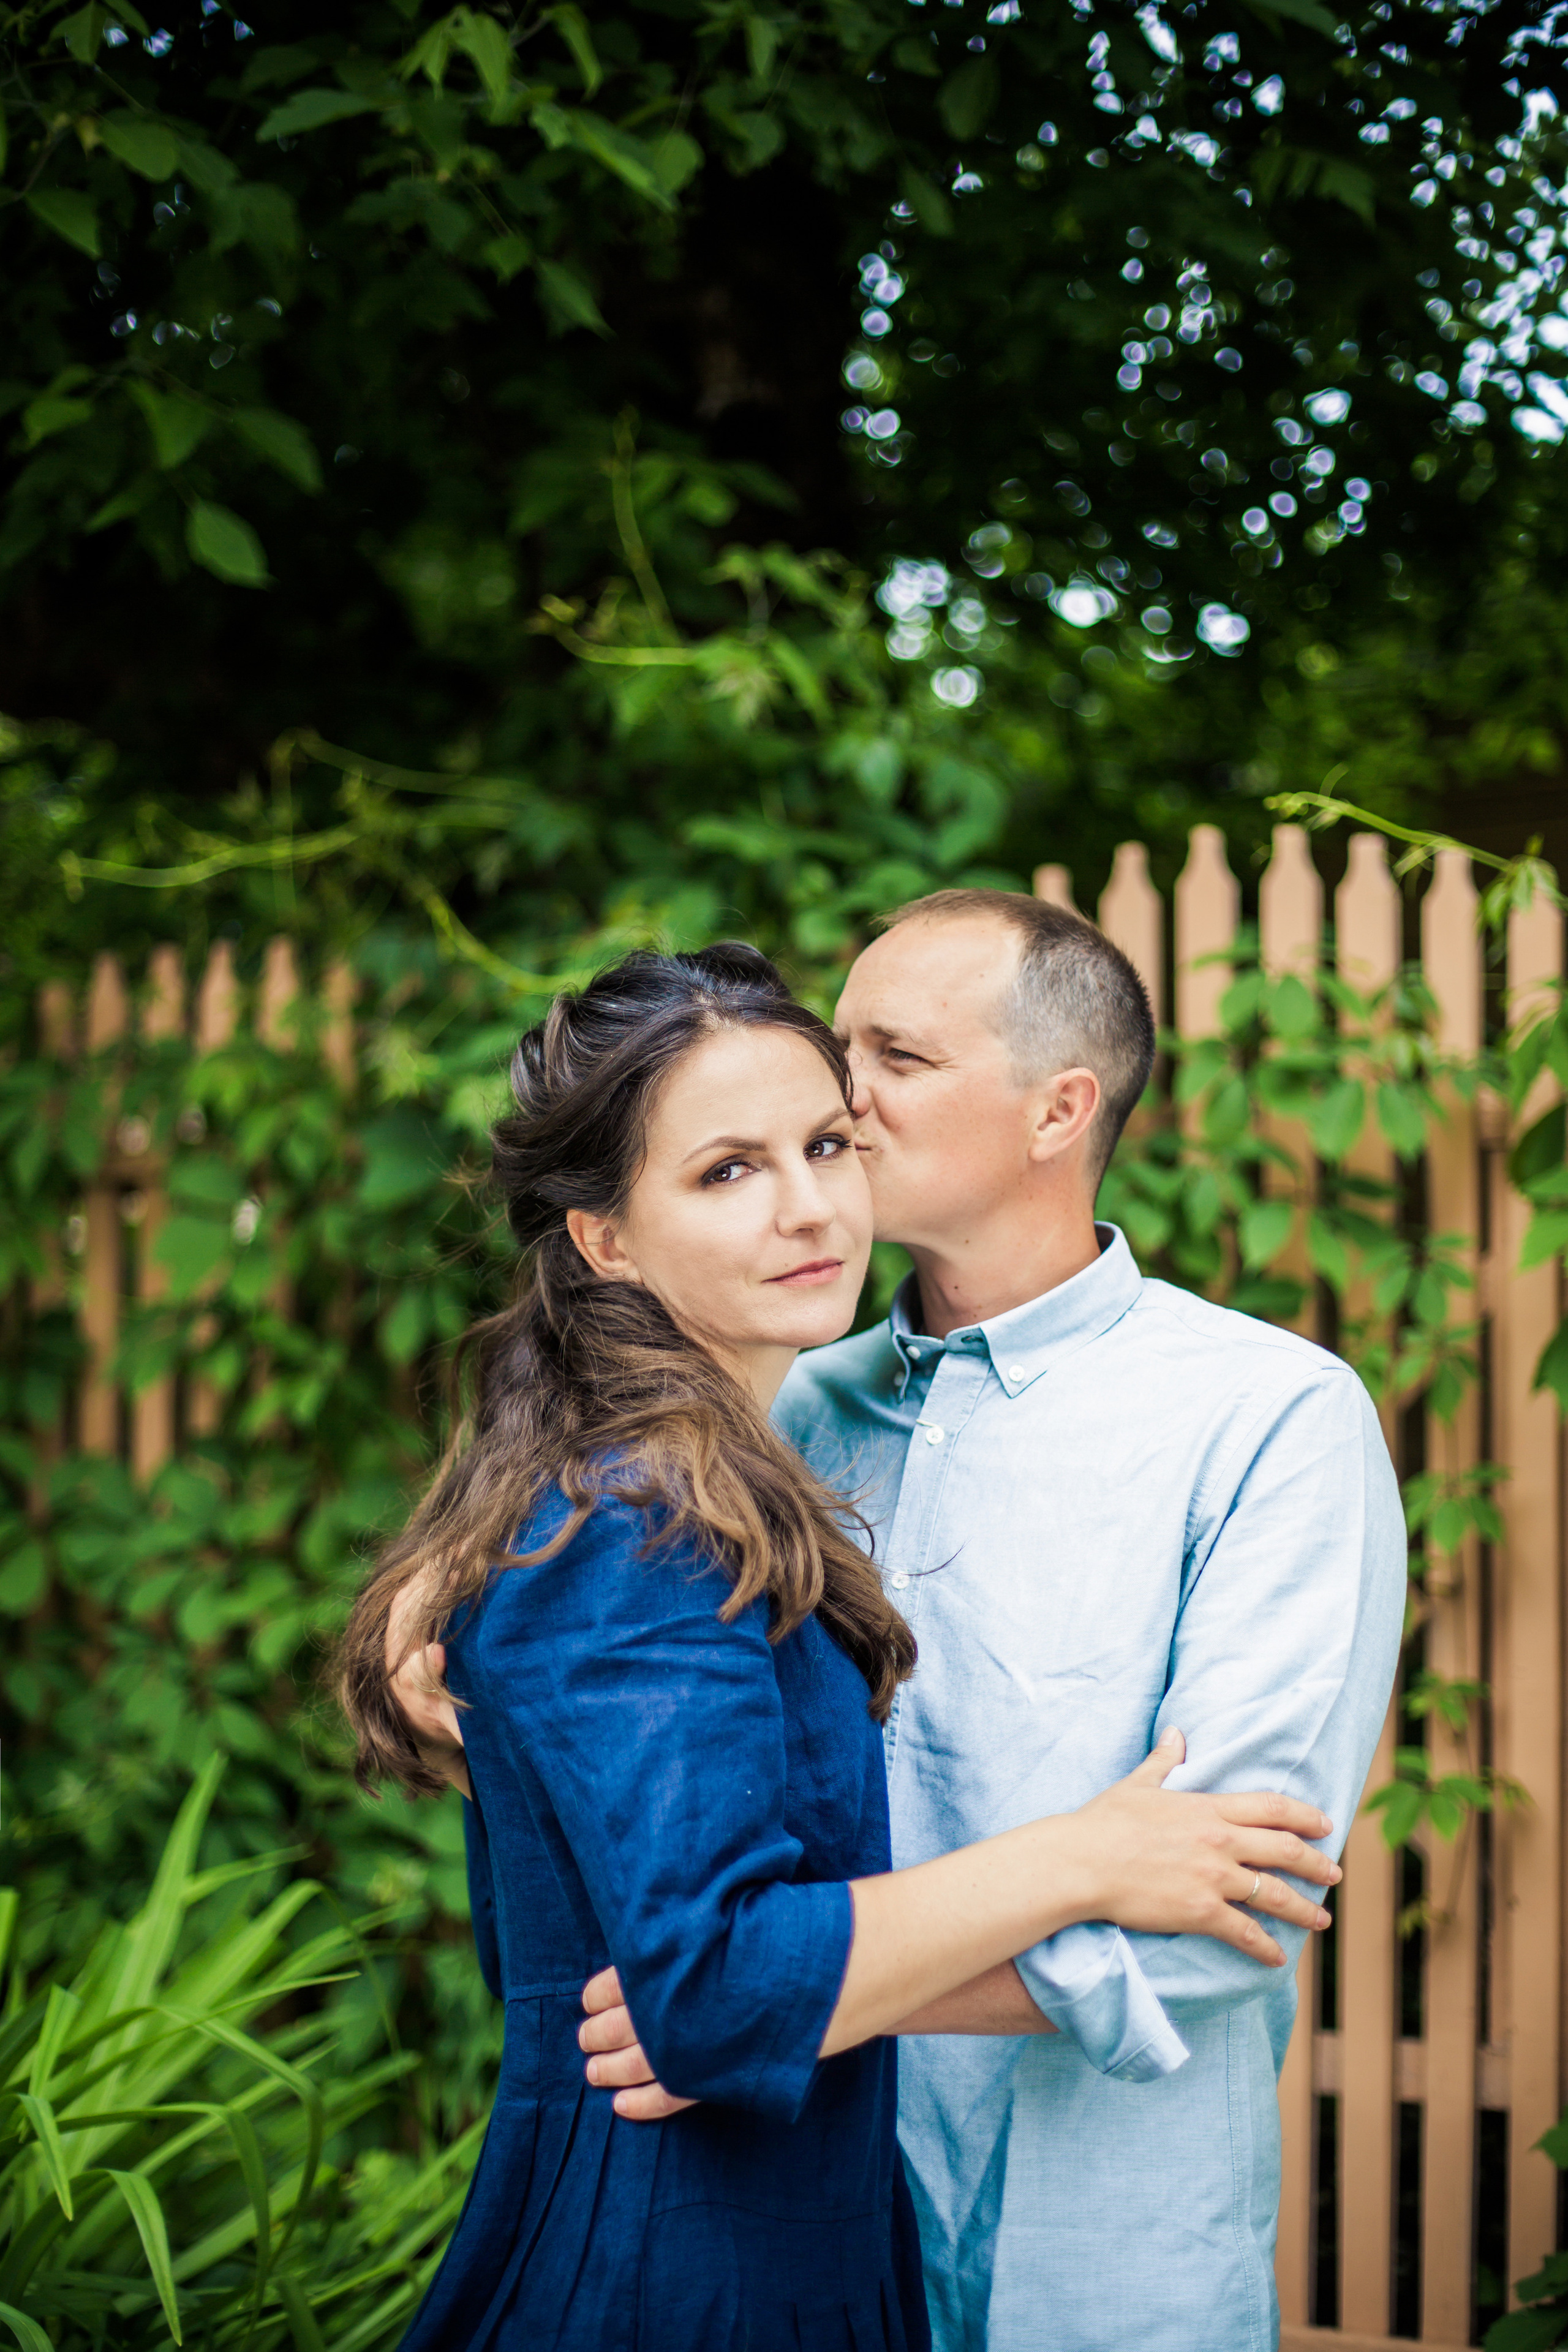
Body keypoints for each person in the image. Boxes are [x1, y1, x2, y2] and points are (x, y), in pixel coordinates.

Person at [346, 941, 1343, 2352]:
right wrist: (452, 1569)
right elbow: (592, 1526)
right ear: (609, 1236)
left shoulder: (1255, 1416)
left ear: (1056, 1111)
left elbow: (1234, 1896)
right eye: (736, 1166)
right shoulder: (743, 1428)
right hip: (701, 2253)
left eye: (858, 1100)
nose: (843, 1137)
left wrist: (787, 2008)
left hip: (1055, 2247)